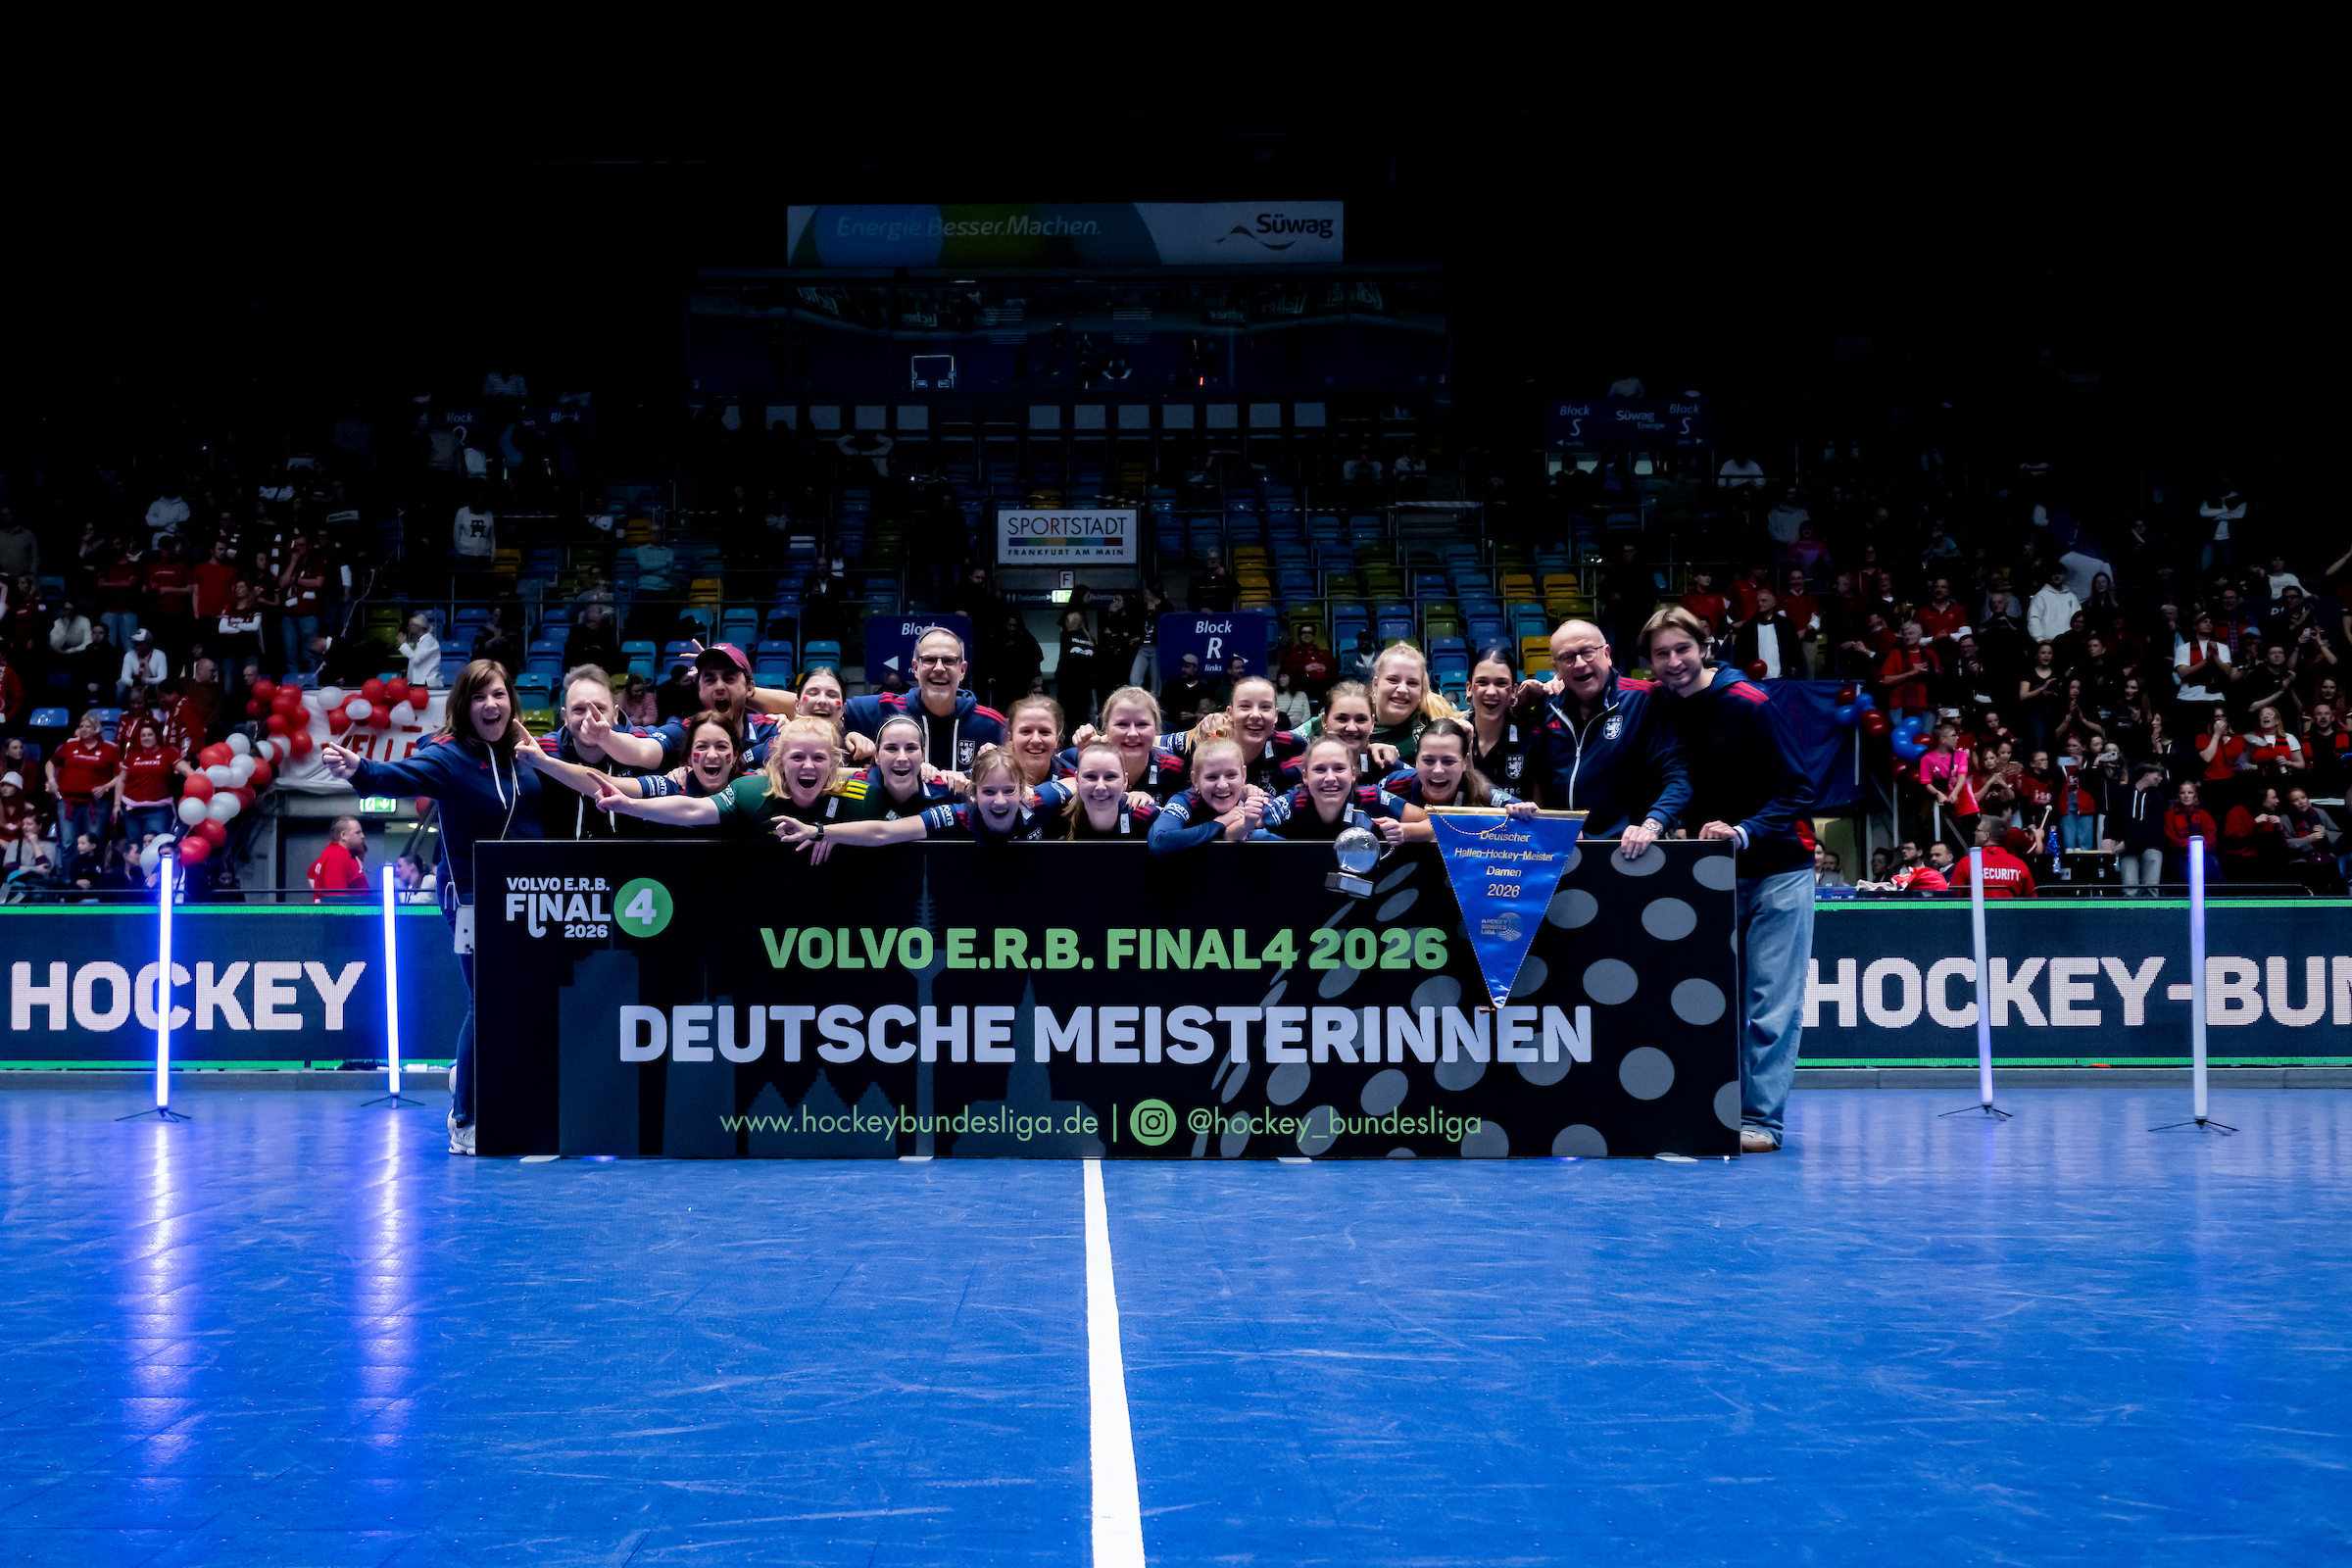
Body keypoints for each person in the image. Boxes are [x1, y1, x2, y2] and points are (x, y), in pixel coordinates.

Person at [318, 659, 546, 1156]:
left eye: (499, 694)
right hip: (469, 895)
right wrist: (360, 769)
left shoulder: (524, 751)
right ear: (463, 705)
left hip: (524, 893)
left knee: (519, 999)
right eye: (479, 696)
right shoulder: (448, 757)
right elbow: (397, 775)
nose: (491, 704)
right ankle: (465, 1119)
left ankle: (478, 1082)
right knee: (485, 1000)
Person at [1642, 606, 1815, 1153]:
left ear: (1705, 647)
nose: (1674, 661)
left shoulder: (1751, 703)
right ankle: (1715, 1114)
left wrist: (1744, 831)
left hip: (1778, 869)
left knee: (1770, 1003)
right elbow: (1601, 681)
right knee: (1713, 1002)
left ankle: (1762, 1122)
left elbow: (1799, 790)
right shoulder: (1658, 702)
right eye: (1662, 654)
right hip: (1710, 875)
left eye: (1682, 649)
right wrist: (1544, 686)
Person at [1519, 619, 1689, 859]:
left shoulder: (1644, 699)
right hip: (1563, 852)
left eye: (1588, 652)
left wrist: (1653, 824)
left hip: (1629, 852)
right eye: (1568, 657)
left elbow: (1678, 774)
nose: (1580, 663)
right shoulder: (1548, 706)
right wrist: (1518, 707)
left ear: (1607, 654)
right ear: (1556, 668)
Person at [841, 626, 1004, 774]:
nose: (939, 668)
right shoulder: (885, 708)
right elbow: (829, 714)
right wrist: (847, 735)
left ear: (962, 670)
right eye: (929, 660)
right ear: (916, 668)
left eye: (948, 661)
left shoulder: (991, 724)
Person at [1257, 737, 1422, 843]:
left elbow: (1435, 822)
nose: (1330, 778)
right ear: (1305, 776)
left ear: (1353, 774)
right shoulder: (1294, 802)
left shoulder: (1372, 798)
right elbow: (1248, 827)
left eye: (1339, 768)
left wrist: (1405, 831)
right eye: (1320, 769)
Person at [1383, 717, 1539, 828]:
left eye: (1448, 761)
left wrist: (1525, 811)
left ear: (1464, 763)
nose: (1438, 770)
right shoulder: (1394, 784)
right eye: (1428, 761)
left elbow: (1536, 817)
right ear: (1416, 761)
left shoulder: (1483, 793)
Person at [1054, 686, 1186, 804]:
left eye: (1142, 724)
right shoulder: (1075, 757)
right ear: (1107, 730)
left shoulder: (1176, 770)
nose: (1132, 733)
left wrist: (1152, 809)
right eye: (1122, 724)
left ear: (1156, 729)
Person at [1147, 739, 1268, 854]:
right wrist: (1219, 823)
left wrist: (1251, 823)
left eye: (1231, 775)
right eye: (1211, 777)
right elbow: (1158, 842)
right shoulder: (1185, 800)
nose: (1222, 785)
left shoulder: (1255, 800)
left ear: (1243, 775)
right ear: (1195, 780)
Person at [834, 713, 955, 821]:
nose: (902, 758)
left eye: (911, 748)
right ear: (877, 755)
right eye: (891, 748)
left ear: (922, 755)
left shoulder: (948, 790)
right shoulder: (850, 788)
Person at [1049, 741, 1162, 840]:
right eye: (1090, 776)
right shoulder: (1057, 817)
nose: (1100, 787)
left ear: (1125, 781)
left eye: (1110, 777)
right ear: (1077, 780)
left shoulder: (1147, 817)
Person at [1459, 647, 1536, 791]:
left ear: (1513, 691)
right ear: (1469, 689)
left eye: (1501, 683)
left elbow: (1539, 804)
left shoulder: (1531, 742)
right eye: (1482, 682)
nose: (1491, 692)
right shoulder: (1455, 739)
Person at [46, 711, 120, 850]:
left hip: (96, 803)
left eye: (88, 727)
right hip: (68, 802)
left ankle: (93, 865)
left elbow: (120, 775)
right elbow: (50, 763)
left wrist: (106, 786)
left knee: (93, 843)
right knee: (68, 843)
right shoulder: (69, 746)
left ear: (96, 729)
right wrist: (51, 780)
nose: (84, 729)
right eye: (82, 726)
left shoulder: (110, 749)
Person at [112, 718, 187, 844]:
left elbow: (186, 771)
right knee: (134, 847)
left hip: (158, 810)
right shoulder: (132, 755)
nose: (146, 738)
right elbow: (121, 781)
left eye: (150, 735)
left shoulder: (168, 752)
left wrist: (199, 778)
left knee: (155, 846)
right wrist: (116, 805)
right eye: (143, 735)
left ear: (156, 737)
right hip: (132, 811)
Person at [2104, 764, 2171, 892]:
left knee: (2151, 889)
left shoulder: (2157, 796)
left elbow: (2153, 827)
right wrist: (2108, 836)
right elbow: (2113, 817)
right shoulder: (2123, 793)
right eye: (2158, 775)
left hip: (2150, 845)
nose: (2161, 778)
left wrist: (2128, 844)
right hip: (2127, 849)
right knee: (2129, 889)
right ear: (2147, 775)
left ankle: (2150, 906)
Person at [1955, 812, 2038, 899]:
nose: (1975, 833)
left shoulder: (1967, 863)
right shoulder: (2020, 866)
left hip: (1977, 908)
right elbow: (2033, 901)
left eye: (1978, 830)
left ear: (1985, 836)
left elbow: (1953, 900)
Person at [2221, 785, 2290, 884]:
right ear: (2262, 799)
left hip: (2259, 860)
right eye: (2274, 797)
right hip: (2238, 859)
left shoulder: (2269, 816)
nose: (2277, 801)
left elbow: (2278, 845)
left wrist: (2280, 827)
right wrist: (2254, 822)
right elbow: (2232, 836)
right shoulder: (2238, 811)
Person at [2164, 779, 2222, 886]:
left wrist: (2191, 844)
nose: (2186, 796)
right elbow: (2172, 841)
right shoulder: (2170, 815)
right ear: (2178, 796)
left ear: (2196, 796)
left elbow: (2211, 841)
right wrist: (2195, 842)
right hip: (2180, 856)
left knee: (2215, 877)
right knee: (2185, 875)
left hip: (2204, 854)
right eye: (2182, 792)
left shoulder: (2204, 815)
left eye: (2190, 792)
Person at [307, 814, 371, 902]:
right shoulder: (337, 857)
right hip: (350, 909)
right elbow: (337, 899)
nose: (362, 836)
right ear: (343, 835)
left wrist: (318, 896)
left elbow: (311, 871)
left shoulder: (333, 852)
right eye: (357, 832)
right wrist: (319, 899)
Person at [1054, 610, 1099, 725]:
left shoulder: (1067, 636)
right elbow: (1095, 664)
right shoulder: (1091, 640)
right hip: (1085, 686)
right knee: (1082, 720)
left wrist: (1057, 675)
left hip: (1068, 684)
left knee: (1065, 719)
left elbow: (1063, 659)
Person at [398, 614, 442, 690]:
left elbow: (416, 659)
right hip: (419, 682)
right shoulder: (422, 642)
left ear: (418, 626)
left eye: (410, 625)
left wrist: (403, 644)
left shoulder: (428, 640)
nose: (408, 628)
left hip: (427, 683)